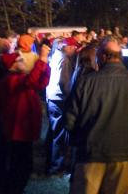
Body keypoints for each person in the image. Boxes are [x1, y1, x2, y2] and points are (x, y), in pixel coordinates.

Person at [64, 37, 128, 194]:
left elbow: (70, 117)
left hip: (90, 153)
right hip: (123, 153)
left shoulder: (85, 82)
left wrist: (76, 142)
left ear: (103, 56)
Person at [0, 42, 50, 194]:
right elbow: (32, 81)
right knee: (20, 163)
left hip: (24, 129)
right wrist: (42, 59)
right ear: (11, 65)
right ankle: (13, 189)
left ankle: (16, 187)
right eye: (19, 60)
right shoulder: (10, 80)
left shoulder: (20, 78)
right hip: (17, 129)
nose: (23, 62)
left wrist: (45, 65)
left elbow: (41, 83)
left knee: (24, 163)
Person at [45, 37, 78, 175]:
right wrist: (72, 97)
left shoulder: (54, 55)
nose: (76, 50)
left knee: (54, 132)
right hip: (59, 99)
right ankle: (57, 166)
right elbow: (64, 83)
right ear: (68, 47)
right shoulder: (64, 60)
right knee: (60, 134)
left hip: (52, 97)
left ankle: (53, 162)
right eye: (74, 47)